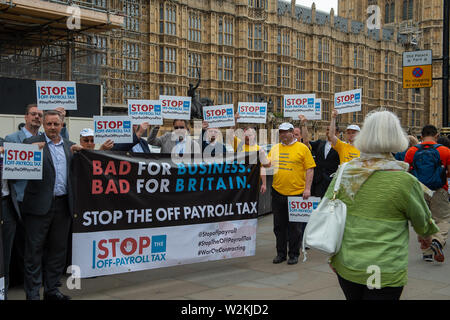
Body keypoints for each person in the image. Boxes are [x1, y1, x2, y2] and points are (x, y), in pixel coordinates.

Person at [326, 110, 439, 300]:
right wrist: (425, 236)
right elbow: (422, 221)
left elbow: (328, 210)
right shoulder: (404, 180)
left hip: (347, 263)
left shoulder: (345, 173)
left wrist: (332, 254)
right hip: (382, 267)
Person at [22, 110, 82, 300]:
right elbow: (19, 170)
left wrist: (102, 149)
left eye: (56, 124)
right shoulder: (30, 144)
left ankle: (52, 290)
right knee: (34, 253)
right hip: (37, 208)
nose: (52, 128)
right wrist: (32, 152)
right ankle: (32, 294)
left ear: (62, 126)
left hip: (63, 207)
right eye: (49, 124)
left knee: (58, 251)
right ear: (43, 125)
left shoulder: (70, 147)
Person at [4, 104, 44, 295]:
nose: (37, 117)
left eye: (40, 115)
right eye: (33, 114)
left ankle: (33, 287)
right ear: (26, 117)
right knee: (14, 246)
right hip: (18, 200)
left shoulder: (46, 140)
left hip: (39, 200)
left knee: (34, 246)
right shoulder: (12, 139)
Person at [267, 122, 315, 265]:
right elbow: (267, 165)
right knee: (279, 226)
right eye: (280, 132)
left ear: (291, 132)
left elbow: (310, 169)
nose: (281, 135)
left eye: (284, 132)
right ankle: (280, 254)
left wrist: (307, 189)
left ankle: (293, 254)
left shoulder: (302, 148)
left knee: (295, 227)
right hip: (278, 191)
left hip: (296, 193)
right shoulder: (275, 148)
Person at [404, 125, 450, 263]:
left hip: (420, 189)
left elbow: (406, 172)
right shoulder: (445, 151)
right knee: (442, 219)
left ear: (421, 136)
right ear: (436, 136)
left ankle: (427, 253)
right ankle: (437, 240)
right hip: (439, 189)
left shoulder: (411, 151)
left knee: (424, 220)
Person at [298, 115, 340, 198]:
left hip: (332, 182)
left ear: (337, 133)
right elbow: (306, 142)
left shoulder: (341, 146)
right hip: (318, 181)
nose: (328, 132)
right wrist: (303, 124)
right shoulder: (320, 143)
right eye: (327, 130)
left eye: (331, 130)